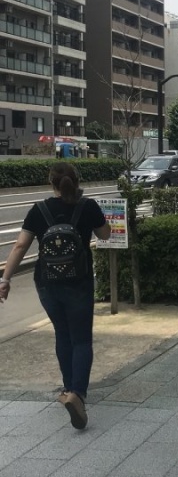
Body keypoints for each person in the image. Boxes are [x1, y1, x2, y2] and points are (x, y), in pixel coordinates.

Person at [0, 162, 111, 430]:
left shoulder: (39, 210)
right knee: (81, 339)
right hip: (79, 283)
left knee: (63, 334)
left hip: (47, 284)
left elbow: (19, 246)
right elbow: (105, 235)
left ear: (52, 183)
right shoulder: (88, 207)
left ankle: (68, 387)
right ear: (76, 180)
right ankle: (78, 394)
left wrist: (5, 280)